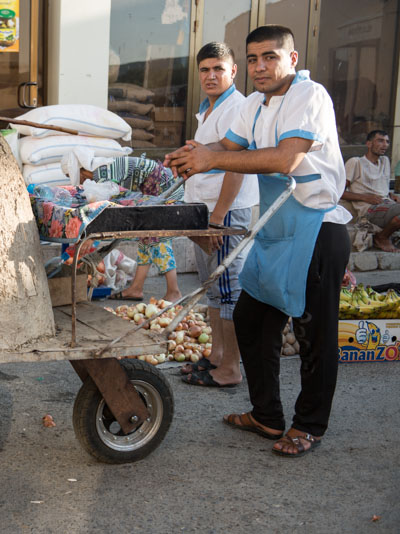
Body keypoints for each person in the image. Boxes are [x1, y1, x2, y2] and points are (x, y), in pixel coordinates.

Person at [165, 25, 351, 457]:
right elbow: (228, 145)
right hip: (274, 230)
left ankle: (309, 426)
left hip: (317, 230)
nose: (260, 67)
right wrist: (191, 155)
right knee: (251, 322)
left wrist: (212, 158)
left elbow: (287, 158)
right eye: (253, 59)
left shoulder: (310, 96)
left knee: (313, 335)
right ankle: (267, 415)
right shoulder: (253, 104)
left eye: (270, 57)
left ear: (292, 58)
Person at [180, 42, 258, 388]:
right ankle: (216, 357)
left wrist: (218, 217)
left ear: (233, 72)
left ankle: (231, 368)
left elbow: (235, 167)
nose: (211, 76)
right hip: (205, 211)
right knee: (213, 289)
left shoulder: (237, 108)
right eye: (205, 70)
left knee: (230, 292)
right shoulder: (208, 110)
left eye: (218, 69)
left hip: (225, 213)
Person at [80, 157, 183, 302]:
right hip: (154, 191)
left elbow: (114, 209)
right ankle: (136, 288)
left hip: (166, 191)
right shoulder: (104, 173)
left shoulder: (104, 176)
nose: (79, 181)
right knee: (146, 238)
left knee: (157, 238)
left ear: (82, 172)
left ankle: (174, 291)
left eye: (79, 177)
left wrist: (94, 234)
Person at [341, 130, 400, 252]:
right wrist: (365, 197)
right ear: (368, 144)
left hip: (387, 204)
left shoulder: (385, 162)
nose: (385, 145)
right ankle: (382, 237)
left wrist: (391, 194)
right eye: (380, 141)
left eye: (387, 142)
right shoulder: (356, 162)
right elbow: (339, 192)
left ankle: (383, 236)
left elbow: (380, 186)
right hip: (369, 209)